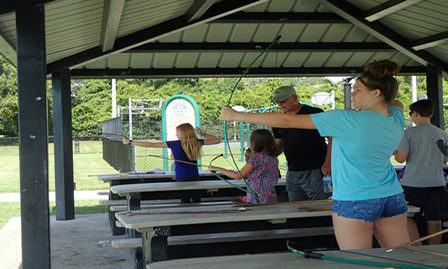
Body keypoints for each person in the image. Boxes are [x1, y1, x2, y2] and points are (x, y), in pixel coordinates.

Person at [220, 60, 410, 250]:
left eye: (358, 90)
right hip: (392, 196)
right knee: (400, 257)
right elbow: (396, 102)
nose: (353, 94)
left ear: (376, 93)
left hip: (354, 199)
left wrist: (236, 116)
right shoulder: (395, 116)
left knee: (358, 261)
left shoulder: (346, 118)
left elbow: (287, 121)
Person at [123, 123, 221, 203]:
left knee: (185, 201)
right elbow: (217, 140)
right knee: (196, 199)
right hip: (195, 176)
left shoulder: (175, 144)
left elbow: (151, 144)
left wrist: (130, 142)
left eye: (177, 133)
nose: (176, 135)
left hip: (181, 178)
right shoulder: (196, 142)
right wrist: (202, 133)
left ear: (183, 134)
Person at [394, 99, 448, 245]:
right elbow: (445, 159)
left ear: (416, 113)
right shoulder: (441, 133)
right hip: (437, 183)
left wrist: (395, 152)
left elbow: (400, 159)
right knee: (435, 220)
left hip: (413, 183)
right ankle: (434, 253)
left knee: (408, 218)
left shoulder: (408, 134)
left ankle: (417, 250)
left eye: (411, 113)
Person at [271, 85, 332, 201]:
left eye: (283, 101)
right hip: (292, 172)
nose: (280, 105)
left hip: (316, 170)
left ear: (294, 98)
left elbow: (332, 138)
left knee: (320, 206)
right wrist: (262, 156)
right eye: (278, 102)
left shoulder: (314, 113)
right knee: (295, 208)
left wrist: (328, 163)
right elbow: (278, 145)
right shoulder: (278, 120)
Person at [209, 129, 279, 204]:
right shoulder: (273, 157)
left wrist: (218, 168)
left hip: (256, 197)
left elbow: (238, 175)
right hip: (271, 196)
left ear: (255, 143)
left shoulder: (256, 158)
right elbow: (276, 177)